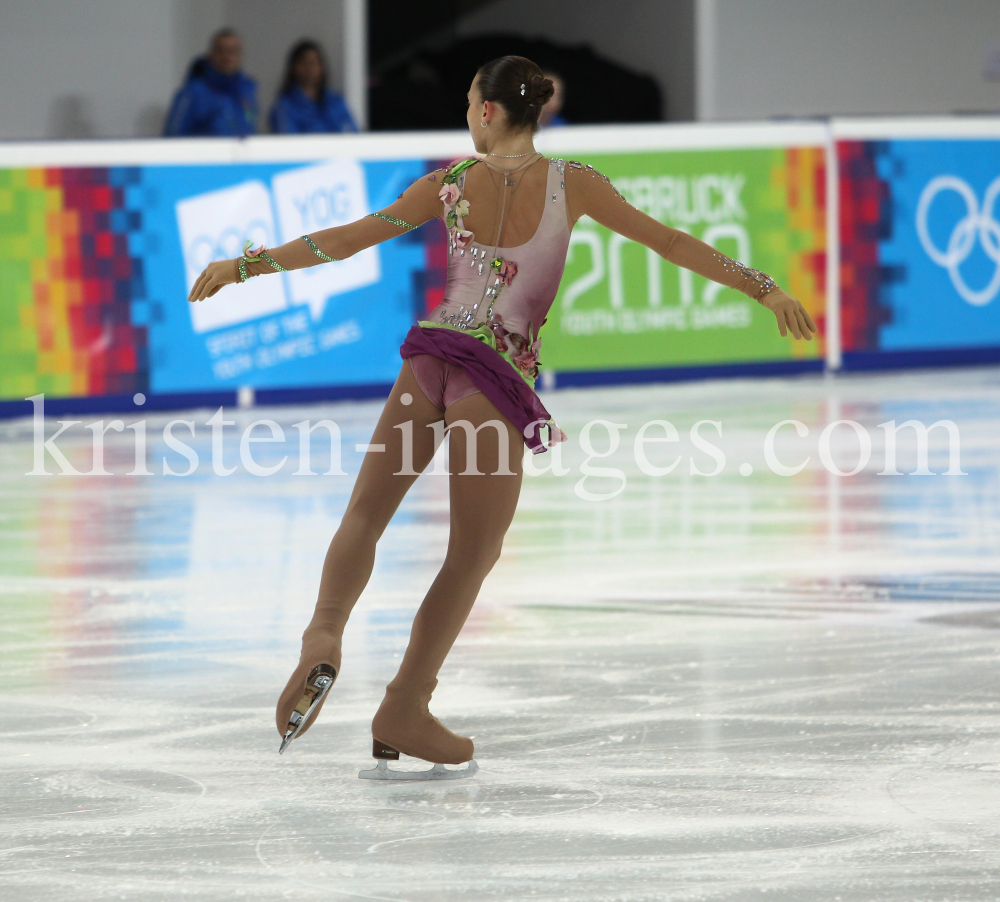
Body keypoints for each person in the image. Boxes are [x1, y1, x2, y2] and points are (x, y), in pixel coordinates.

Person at [188, 55, 817, 779]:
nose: (466, 115)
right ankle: (405, 705)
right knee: (469, 555)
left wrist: (246, 265)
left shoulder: (449, 185)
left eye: (466, 103)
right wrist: (763, 289)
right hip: (493, 382)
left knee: (365, 514)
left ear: (488, 111)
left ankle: (322, 638)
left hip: (426, 364)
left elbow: (350, 237)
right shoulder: (573, 184)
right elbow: (668, 242)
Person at [164, 29, 258, 137]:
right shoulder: (191, 94)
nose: (227, 56)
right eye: (221, 50)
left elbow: (251, 126)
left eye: (232, 51)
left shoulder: (247, 91)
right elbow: (172, 138)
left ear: (240, 55)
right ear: (211, 54)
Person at [270, 40, 358, 134]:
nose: (310, 68)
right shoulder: (284, 107)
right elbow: (287, 142)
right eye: (304, 63)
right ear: (294, 67)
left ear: (322, 67)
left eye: (314, 62)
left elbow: (352, 134)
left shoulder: (336, 102)